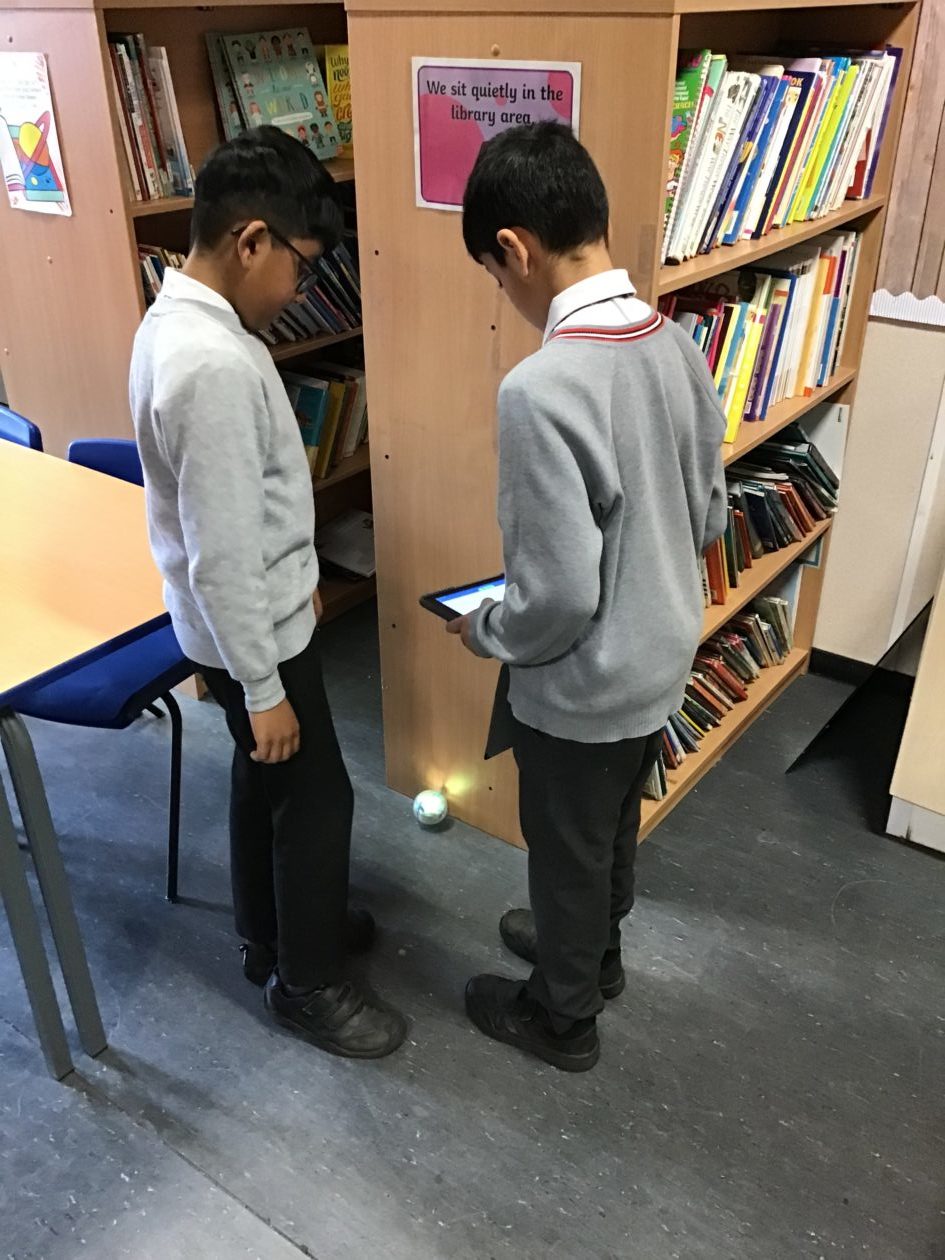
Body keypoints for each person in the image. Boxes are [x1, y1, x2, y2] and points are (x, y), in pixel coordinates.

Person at [450, 122, 727, 1072]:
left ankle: (561, 1017)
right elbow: (710, 513)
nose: (503, 294)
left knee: (563, 847)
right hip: (660, 655)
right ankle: (594, 957)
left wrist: (487, 629)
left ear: (515, 249)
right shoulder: (676, 344)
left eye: (494, 275)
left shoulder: (541, 388)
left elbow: (559, 597)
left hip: (583, 683)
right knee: (609, 832)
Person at [130, 127, 407, 1060]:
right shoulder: (207, 366)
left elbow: (242, 516)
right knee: (316, 802)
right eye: (300, 265)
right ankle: (307, 983)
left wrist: (299, 585)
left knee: (266, 783)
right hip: (252, 639)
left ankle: (276, 932)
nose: (299, 290)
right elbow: (220, 551)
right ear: (250, 241)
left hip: (253, 620)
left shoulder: (185, 325)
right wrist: (261, 684)